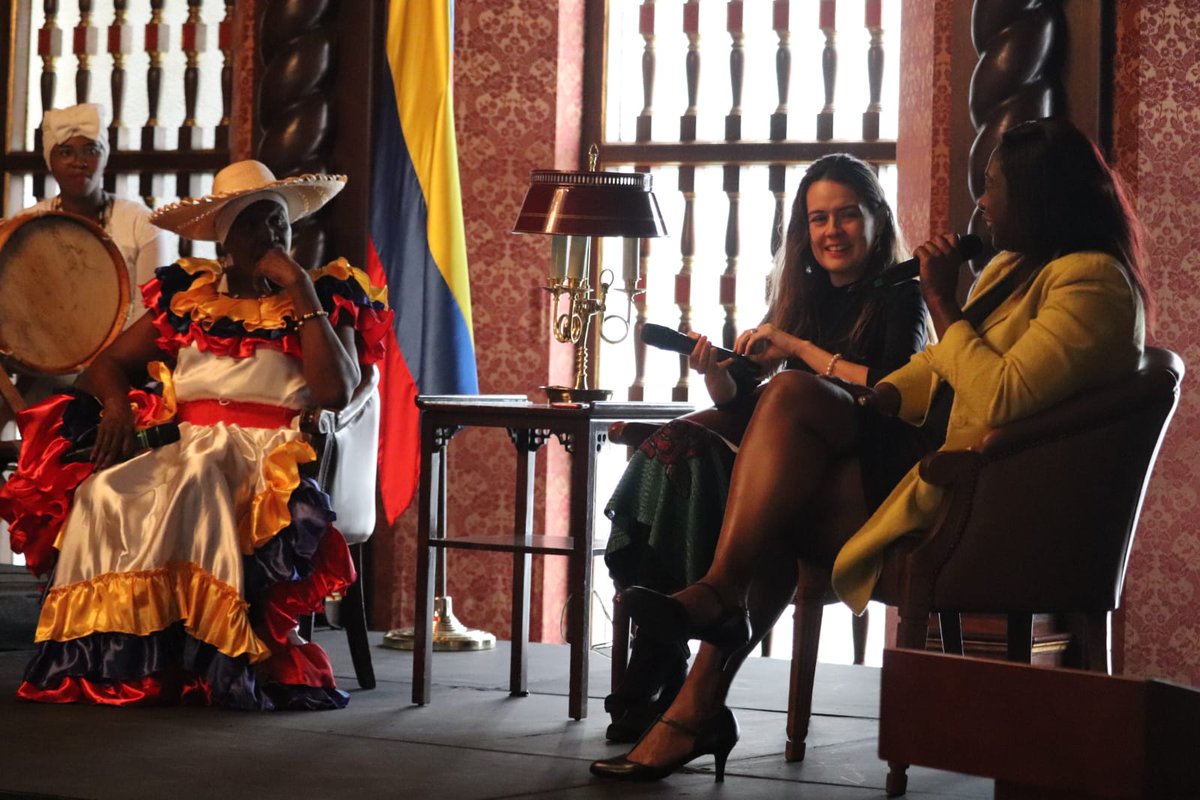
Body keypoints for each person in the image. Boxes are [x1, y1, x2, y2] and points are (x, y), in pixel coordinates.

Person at [591, 116, 1149, 781]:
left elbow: (998, 394)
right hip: (932, 471)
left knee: (784, 452)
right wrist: (874, 399)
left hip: (986, 503)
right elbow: (939, 369)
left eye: (994, 186)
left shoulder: (1091, 283)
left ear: (1037, 194)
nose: (983, 204)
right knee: (759, 478)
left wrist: (942, 301)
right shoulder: (1017, 271)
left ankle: (706, 650)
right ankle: (695, 684)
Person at [0, 159, 391, 710]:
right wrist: (115, 404)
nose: (274, 234)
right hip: (190, 446)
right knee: (102, 492)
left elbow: (337, 391)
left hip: (271, 456)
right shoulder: (190, 296)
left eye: (279, 220)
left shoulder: (325, 294)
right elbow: (105, 367)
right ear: (226, 242)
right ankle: (114, 659)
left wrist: (302, 291)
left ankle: (216, 655)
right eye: (257, 223)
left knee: (199, 479)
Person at [601, 154, 929, 742]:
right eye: (818, 219)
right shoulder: (799, 296)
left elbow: (892, 386)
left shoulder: (904, 292)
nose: (831, 232)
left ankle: (694, 622)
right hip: (794, 467)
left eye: (847, 216)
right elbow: (750, 402)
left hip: (868, 471)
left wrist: (797, 350)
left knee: (787, 391)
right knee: (680, 444)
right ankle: (658, 649)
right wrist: (717, 374)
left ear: (877, 218)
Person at [21, 103, 174, 329]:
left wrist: (110, 360)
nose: (78, 162)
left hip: (123, 359)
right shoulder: (25, 226)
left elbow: (150, 314)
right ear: (49, 161)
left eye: (91, 150)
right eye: (65, 152)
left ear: (105, 157)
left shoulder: (141, 223)